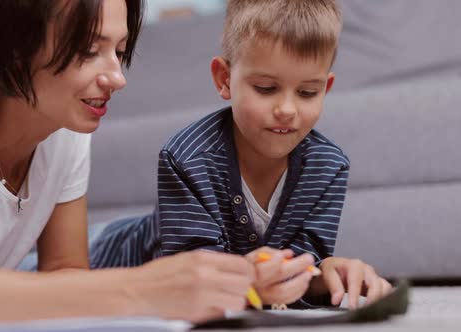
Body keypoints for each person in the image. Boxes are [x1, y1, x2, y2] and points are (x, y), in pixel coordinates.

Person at [0, 1, 267, 331]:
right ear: (13, 50)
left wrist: (225, 283)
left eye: (119, 50)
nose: (116, 77)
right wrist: (140, 289)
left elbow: (63, 271)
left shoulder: (64, 133)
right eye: (90, 52)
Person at [90, 0, 392, 309]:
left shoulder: (328, 168)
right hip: (104, 255)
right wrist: (253, 280)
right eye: (265, 88)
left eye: (307, 93)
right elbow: (194, 282)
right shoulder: (186, 158)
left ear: (326, 88)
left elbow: (296, 272)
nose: (287, 110)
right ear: (224, 79)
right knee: (40, 270)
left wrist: (326, 273)